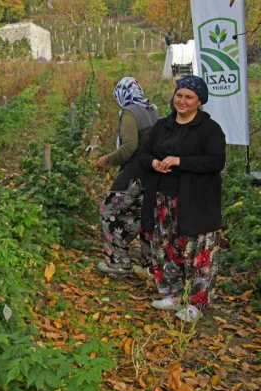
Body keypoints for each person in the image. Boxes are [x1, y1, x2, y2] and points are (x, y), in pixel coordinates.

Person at [136, 75, 225, 323]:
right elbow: (143, 153)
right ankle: (172, 294)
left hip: (197, 200)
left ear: (199, 101)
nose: (182, 101)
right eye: (179, 95)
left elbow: (216, 161)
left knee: (199, 251)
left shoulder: (209, 129)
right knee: (166, 246)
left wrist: (180, 161)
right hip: (164, 198)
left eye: (189, 97)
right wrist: (153, 162)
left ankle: (196, 303)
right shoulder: (163, 126)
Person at [96, 77, 158, 276]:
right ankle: (153, 265)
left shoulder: (130, 111)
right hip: (154, 173)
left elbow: (129, 146)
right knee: (146, 215)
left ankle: (119, 261)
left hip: (135, 172)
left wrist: (107, 159)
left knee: (109, 209)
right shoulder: (152, 110)